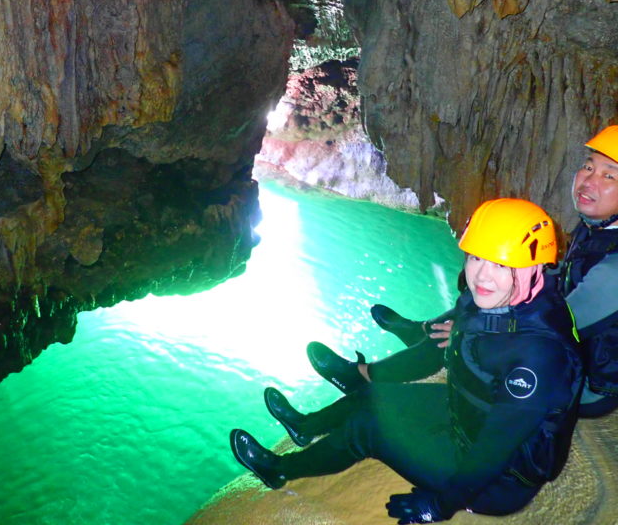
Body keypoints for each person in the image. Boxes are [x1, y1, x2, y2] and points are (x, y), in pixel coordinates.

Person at [230, 199, 583, 523]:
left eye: (501, 264)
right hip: (468, 415)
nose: (482, 275)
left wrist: (438, 506)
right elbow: (487, 326)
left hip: (498, 478)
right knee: (374, 393)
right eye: (476, 257)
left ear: (536, 267)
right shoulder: (518, 297)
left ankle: (278, 469)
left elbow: (491, 454)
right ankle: (305, 428)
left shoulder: (538, 359)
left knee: (368, 427)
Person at [343, 124, 618, 418]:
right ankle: (423, 329)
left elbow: (551, 328)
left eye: (609, 175)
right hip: (602, 347)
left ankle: (368, 376)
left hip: (596, 384)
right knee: (491, 286)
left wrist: (470, 327)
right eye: (588, 167)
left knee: (468, 333)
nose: (588, 181)